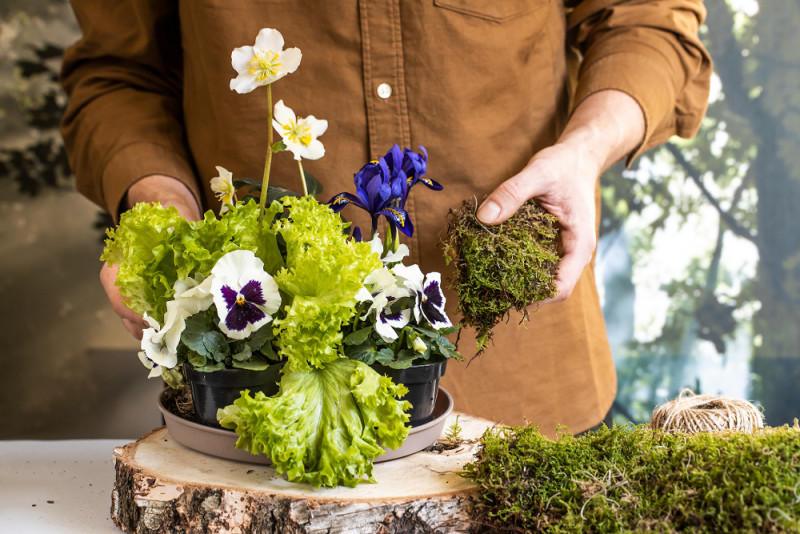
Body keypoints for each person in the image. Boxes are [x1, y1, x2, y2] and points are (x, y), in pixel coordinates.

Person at [60, 0, 711, 437]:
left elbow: (647, 19)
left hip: (523, 386)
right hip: (263, 385)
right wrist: (157, 205)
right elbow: (121, 73)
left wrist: (585, 149)